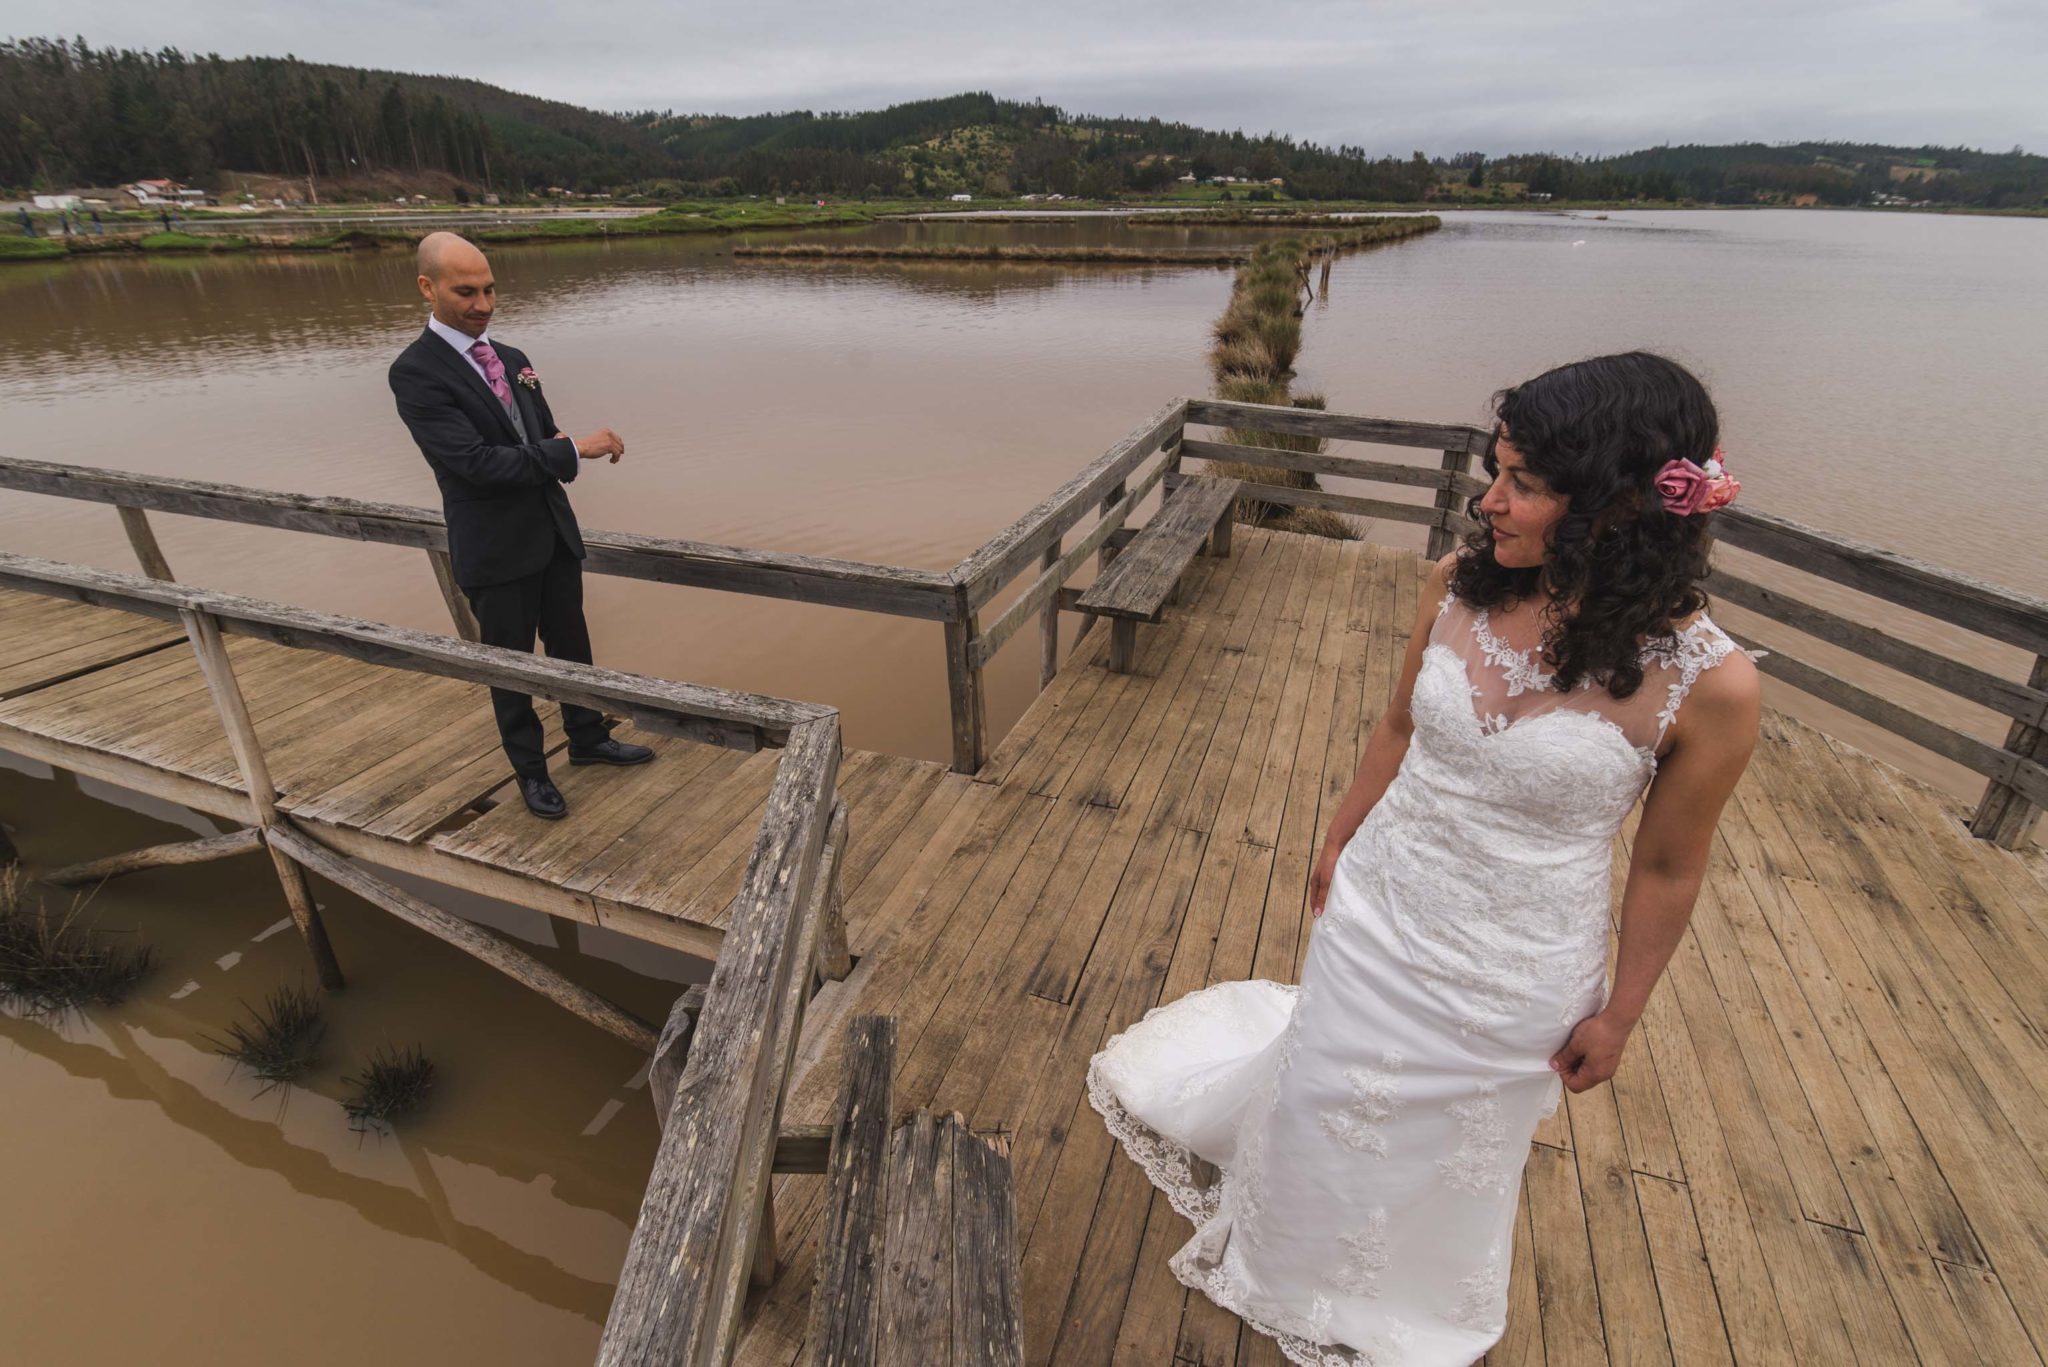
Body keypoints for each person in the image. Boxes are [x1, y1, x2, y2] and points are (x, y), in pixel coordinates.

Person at [1088, 352, 1762, 1364]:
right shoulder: (1456, 587)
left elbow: (1667, 868)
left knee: (1448, 1154)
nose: (1488, 501)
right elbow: (1398, 722)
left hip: (1516, 970)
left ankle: (1403, 1296)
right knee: (1321, 1099)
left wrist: (1619, 1013)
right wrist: (1338, 834)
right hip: (1381, 906)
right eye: (1496, 470)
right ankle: (1282, 1256)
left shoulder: (1713, 688)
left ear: (1617, 507)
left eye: (1523, 483)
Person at [387, 231, 652, 819]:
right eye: (465, 292)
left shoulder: (512, 359)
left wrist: (561, 442)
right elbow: (477, 465)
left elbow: (538, 433)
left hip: (551, 531)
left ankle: (587, 738)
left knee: (571, 645)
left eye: (489, 290)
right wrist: (575, 450)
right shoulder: (415, 373)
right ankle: (531, 773)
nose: (482, 304)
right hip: (494, 547)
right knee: (509, 666)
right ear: (427, 288)